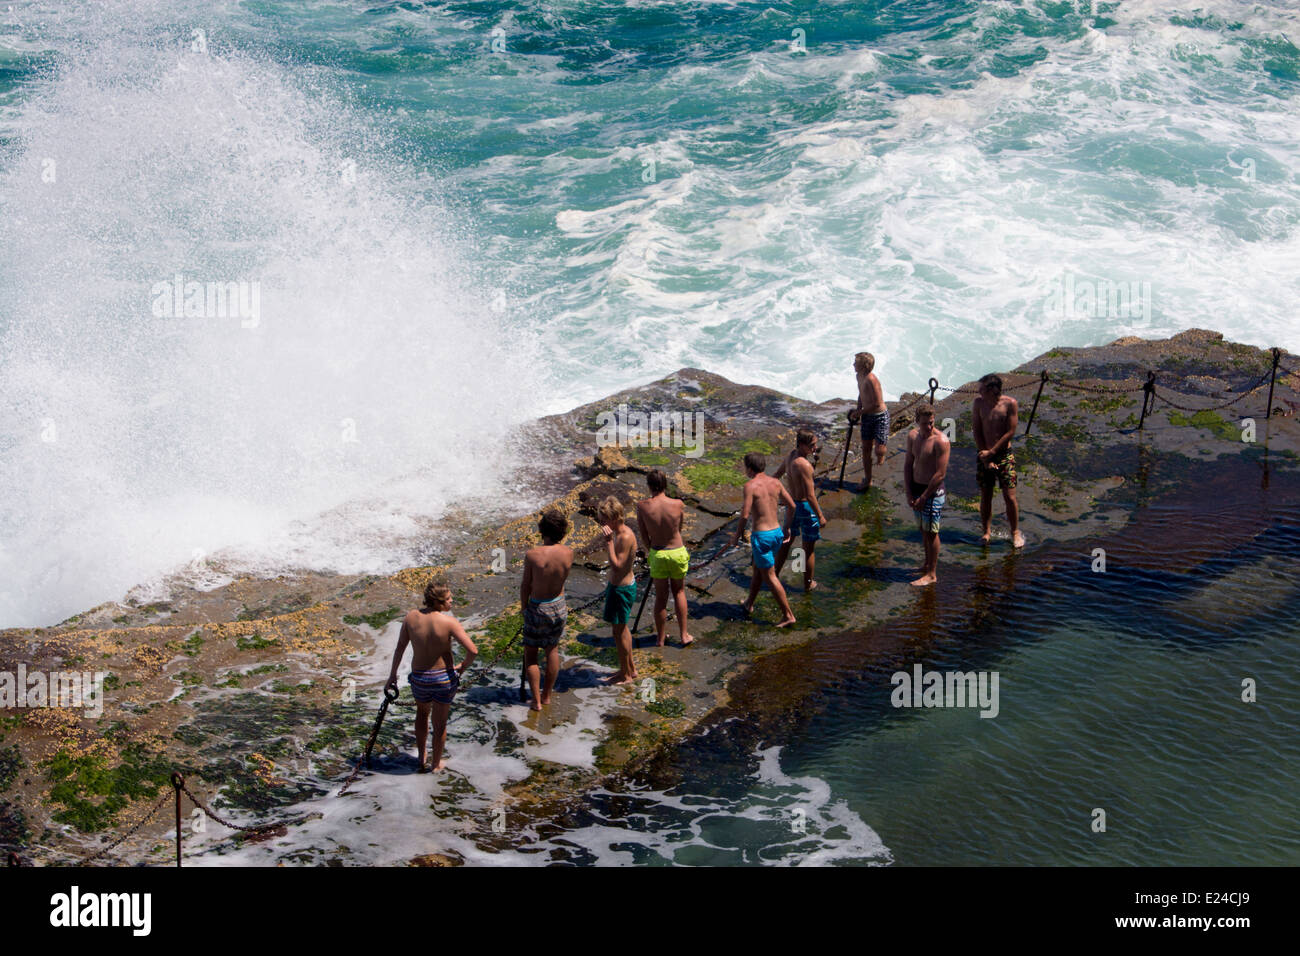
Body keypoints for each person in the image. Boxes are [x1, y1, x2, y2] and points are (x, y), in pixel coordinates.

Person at [386, 581, 478, 772]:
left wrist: (392, 676)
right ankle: (436, 764)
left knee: (421, 715)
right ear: (438, 602)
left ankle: (421, 759)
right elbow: (473, 651)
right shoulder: (449, 622)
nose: (452, 601)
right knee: (440, 723)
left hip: (420, 678)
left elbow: (400, 648)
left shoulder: (411, 617)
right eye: (448, 599)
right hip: (443, 678)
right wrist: (462, 667)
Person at [729, 452, 797, 627]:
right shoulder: (776, 482)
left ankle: (788, 615)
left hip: (762, 537)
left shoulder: (750, 486)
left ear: (749, 469)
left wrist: (737, 535)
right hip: (776, 533)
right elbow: (792, 505)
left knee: (770, 576)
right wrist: (787, 527)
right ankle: (749, 603)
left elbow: (744, 514)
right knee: (758, 569)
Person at [521, 508, 574, 710]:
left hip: (538, 607)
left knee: (531, 654)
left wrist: (523, 608)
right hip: (559, 605)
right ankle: (547, 696)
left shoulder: (533, 555)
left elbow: (526, 585)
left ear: (542, 530)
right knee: (552, 648)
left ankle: (535, 700)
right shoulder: (568, 553)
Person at [636, 469, 693, 647]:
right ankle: (684, 635)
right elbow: (679, 528)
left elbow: (644, 534)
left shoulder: (642, 506)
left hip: (658, 552)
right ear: (665, 485)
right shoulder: (678, 504)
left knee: (661, 597)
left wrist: (651, 551)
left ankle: (660, 638)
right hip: (677, 550)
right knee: (679, 592)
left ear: (649, 486)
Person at [972, 373, 1025, 548]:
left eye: (982, 389)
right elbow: (977, 430)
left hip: (1003, 454)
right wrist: (985, 456)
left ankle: (1015, 532)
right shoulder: (979, 404)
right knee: (986, 494)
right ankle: (986, 532)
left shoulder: (1010, 404)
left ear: (993, 390)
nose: (979, 392)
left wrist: (993, 452)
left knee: (1009, 496)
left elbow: (1010, 431)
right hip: (984, 453)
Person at [773, 429, 828, 591]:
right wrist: (820, 515)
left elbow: (777, 474)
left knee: (786, 542)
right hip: (805, 507)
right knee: (808, 549)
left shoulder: (791, 456)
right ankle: (808, 583)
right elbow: (811, 496)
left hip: (792, 505)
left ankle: (773, 576)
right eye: (812, 445)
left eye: (816, 444)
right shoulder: (804, 465)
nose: (815, 448)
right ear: (802, 445)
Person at [904, 404, 949, 587]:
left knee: (931, 532)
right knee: (923, 530)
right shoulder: (913, 436)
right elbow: (908, 464)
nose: (929, 427)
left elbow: (940, 474)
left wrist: (924, 497)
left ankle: (932, 573)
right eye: (924, 424)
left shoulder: (941, 440)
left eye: (931, 423)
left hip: (933, 492)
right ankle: (926, 564)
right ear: (917, 422)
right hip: (916, 488)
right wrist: (908, 492)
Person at [598, 496, 639, 684]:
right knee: (623, 630)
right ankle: (629, 668)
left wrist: (608, 542)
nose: (602, 524)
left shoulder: (624, 537)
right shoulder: (624, 533)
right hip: (621, 587)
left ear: (614, 519)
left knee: (618, 632)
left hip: (621, 589)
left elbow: (617, 566)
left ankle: (626, 675)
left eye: (604, 520)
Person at [848, 352, 889, 489]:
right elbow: (861, 393)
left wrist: (860, 412)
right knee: (866, 449)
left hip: (879, 416)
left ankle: (881, 453)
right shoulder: (858, 376)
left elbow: (877, 404)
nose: (853, 364)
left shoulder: (872, 380)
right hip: (867, 416)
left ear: (864, 366)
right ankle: (868, 479)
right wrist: (858, 408)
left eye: (856, 362)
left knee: (879, 449)